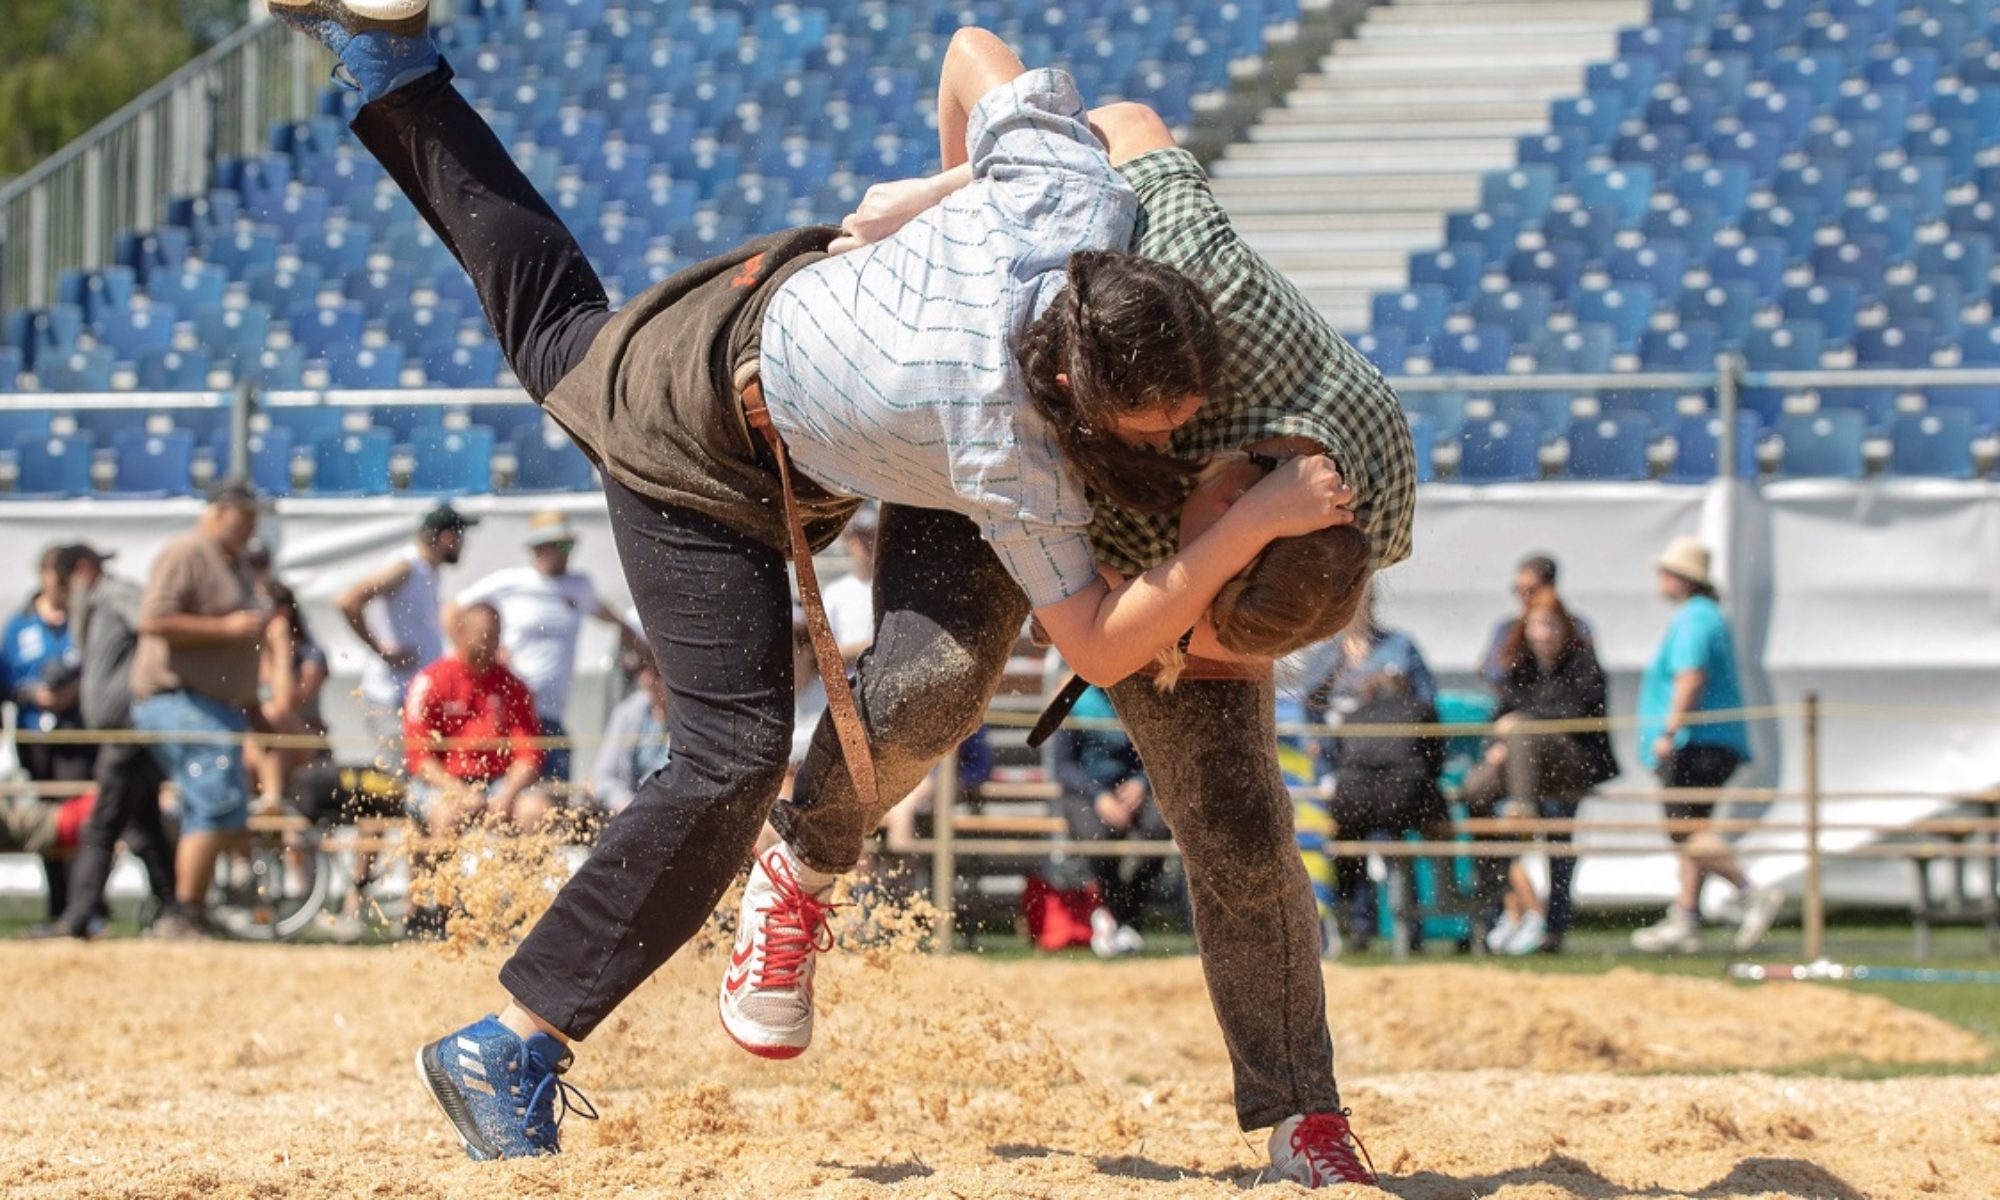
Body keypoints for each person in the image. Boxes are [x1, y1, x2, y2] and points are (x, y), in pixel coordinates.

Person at [268, 1, 1349, 1167]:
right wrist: (1252, 525)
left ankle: (395, 67)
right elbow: (1089, 645)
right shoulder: (997, 440)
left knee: (555, 317)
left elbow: (971, 48)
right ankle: (513, 1040)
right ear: (1067, 388)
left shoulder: (1068, 197)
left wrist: (941, 197)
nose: (1171, 449)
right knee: (727, 753)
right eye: (1147, 431)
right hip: (699, 442)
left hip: (820, 337)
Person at [733, 94, 1415, 1190]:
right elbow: (1122, 116)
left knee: (1241, 817)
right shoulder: (1201, 265)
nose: (1198, 644)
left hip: (1154, 549)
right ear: (1240, 484)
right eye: (1212, 620)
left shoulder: (1358, 496)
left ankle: (1306, 1115)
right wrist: (948, 195)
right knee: (932, 681)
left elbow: (1157, 627)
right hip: (1000, 451)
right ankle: (802, 859)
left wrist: (1204, 612)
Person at [1630, 537, 1783, 956]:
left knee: (1685, 831)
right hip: (1710, 741)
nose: (1659, 579)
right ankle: (1686, 917)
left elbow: (1690, 676)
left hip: (1697, 742)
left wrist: (1669, 731)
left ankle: (1750, 892)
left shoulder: (1694, 618)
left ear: (1681, 578)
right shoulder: (1706, 615)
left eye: (1665, 571)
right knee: (1692, 829)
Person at [129, 479, 268, 938]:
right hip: (179, 699)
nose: (252, 526)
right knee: (212, 798)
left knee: (220, 802)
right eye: (245, 516)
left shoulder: (238, 562)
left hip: (215, 706)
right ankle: (184, 914)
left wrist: (253, 709)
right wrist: (225, 627)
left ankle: (195, 911)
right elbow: (152, 620)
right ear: (219, 511)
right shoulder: (186, 551)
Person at [1461, 596, 1618, 955]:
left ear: (1565, 628)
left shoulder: (1583, 665)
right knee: (1475, 789)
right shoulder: (1521, 666)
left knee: (1559, 853)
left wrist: (1519, 728)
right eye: (1536, 625)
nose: (1543, 634)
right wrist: (1500, 743)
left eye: (1550, 625)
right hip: (1523, 770)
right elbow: (1502, 715)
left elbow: (1580, 713)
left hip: (1569, 769)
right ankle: (1503, 906)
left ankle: (1553, 924)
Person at [40, 544, 176, 940]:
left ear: (81, 571)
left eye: (65, 585)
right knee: (146, 826)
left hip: (128, 730)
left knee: (101, 826)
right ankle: (176, 908)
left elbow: (152, 623)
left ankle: (78, 916)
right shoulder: (100, 603)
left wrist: (144, 692)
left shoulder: (115, 594)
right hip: (124, 729)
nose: (64, 596)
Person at [450, 511, 645, 785]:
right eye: (561, 545)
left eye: (569, 545)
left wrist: (650, 655)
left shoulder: (579, 585)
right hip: (510, 714)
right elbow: (452, 612)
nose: (567, 553)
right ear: (539, 548)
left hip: (551, 713)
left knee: (552, 798)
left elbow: (611, 619)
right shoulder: (509, 582)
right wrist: (481, 658)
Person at [1316, 591, 1447, 955]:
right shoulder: (1328, 654)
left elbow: (1426, 705)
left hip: (1388, 775)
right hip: (1350, 774)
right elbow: (1311, 706)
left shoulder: (1399, 646)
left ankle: (1407, 928)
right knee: (1349, 847)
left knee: (1392, 843)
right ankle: (1360, 926)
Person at [337, 503, 475, 759]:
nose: (464, 545)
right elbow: (348, 600)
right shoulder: (406, 566)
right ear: (446, 537)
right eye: (461, 537)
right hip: (392, 699)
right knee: (405, 784)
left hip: (411, 699)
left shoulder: (425, 570)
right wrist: (380, 650)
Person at [3, 543, 94, 924]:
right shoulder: (20, 626)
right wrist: (30, 694)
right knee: (45, 826)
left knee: (79, 821)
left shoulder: (84, 621)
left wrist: (75, 692)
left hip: (77, 736)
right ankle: (58, 908)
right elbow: (4, 680)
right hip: (34, 739)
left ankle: (83, 909)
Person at [402, 603, 549, 837]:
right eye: (484, 635)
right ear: (461, 632)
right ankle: (445, 875)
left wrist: (507, 794)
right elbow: (420, 758)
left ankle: (518, 873)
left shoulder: (514, 686)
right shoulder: (430, 681)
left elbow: (528, 753)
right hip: (441, 783)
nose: (490, 643)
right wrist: (459, 792)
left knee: (535, 811)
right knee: (447, 816)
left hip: (499, 782)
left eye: (495, 635)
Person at [1049, 685, 1169, 958]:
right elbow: (1063, 767)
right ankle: (1124, 919)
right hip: (1085, 791)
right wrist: (1098, 795)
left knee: (1159, 827)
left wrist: (1141, 782)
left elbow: (1157, 752)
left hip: (1134, 788)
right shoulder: (1072, 699)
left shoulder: (1139, 696)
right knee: (1096, 837)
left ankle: (1121, 916)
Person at [248, 580, 331, 803]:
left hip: (305, 740)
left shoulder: (311, 656)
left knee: (273, 719)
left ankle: (272, 800)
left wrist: (282, 649)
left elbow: (285, 704)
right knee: (257, 733)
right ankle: (268, 803)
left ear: (282, 612)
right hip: (262, 743)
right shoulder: (251, 652)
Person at [1478, 554, 1593, 688]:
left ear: (1550, 588)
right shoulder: (1507, 628)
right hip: (1520, 700)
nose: (1523, 596)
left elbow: (1588, 677)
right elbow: (1492, 673)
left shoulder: (1576, 627)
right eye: (1518, 589)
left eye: (1530, 590)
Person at [588, 653, 669, 818]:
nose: (648, 680)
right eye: (643, 671)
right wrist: (630, 809)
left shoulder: (691, 719)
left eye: (656, 673)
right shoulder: (627, 713)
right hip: (631, 815)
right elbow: (603, 776)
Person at [819, 505, 878, 666]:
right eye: (859, 538)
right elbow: (825, 651)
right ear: (850, 542)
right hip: (847, 683)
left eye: (870, 537)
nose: (866, 545)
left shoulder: (891, 590)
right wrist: (872, 647)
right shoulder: (834, 592)